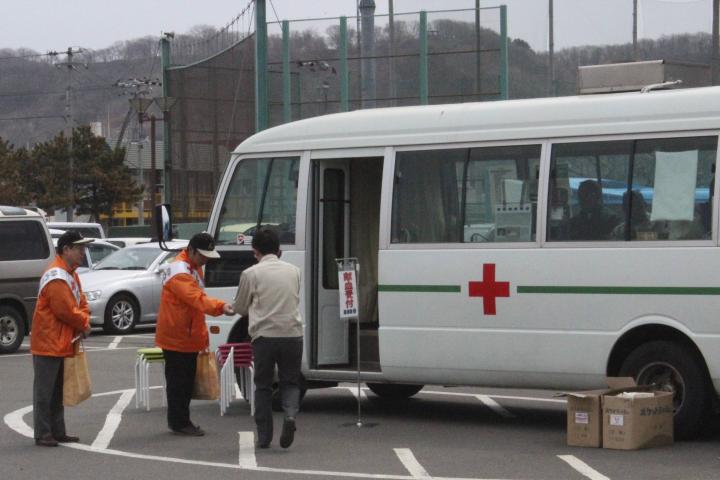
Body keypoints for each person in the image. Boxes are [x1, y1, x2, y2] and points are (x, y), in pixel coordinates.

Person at [155, 232, 234, 436]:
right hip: (177, 335)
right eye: (203, 255)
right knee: (179, 382)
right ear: (191, 250)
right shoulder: (180, 272)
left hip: (183, 333)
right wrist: (221, 306)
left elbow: (197, 298)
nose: (206, 260)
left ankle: (180, 420)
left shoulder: (191, 267)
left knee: (183, 380)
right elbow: (196, 298)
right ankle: (179, 421)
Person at [233, 228, 303, 449]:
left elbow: (241, 307)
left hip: (264, 336)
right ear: (279, 251)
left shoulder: (251, 273)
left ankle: (264, 436)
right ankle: (290, 416)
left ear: (255, 251)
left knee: (262, 385)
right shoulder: (294, 271)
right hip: (293, 334)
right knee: (290, 381)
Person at [31, 231, 94, 447]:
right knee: (45, 391)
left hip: (59, 340)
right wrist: (85, 323)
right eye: (79, 248)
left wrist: (84, 318)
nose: (82, 253)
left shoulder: (69, 273)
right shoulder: (57, 276)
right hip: (49, 341)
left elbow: (81, 302)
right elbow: (65, 310)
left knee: (57, 390)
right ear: (66, 249)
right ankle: (43, 432)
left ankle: (57, 431)